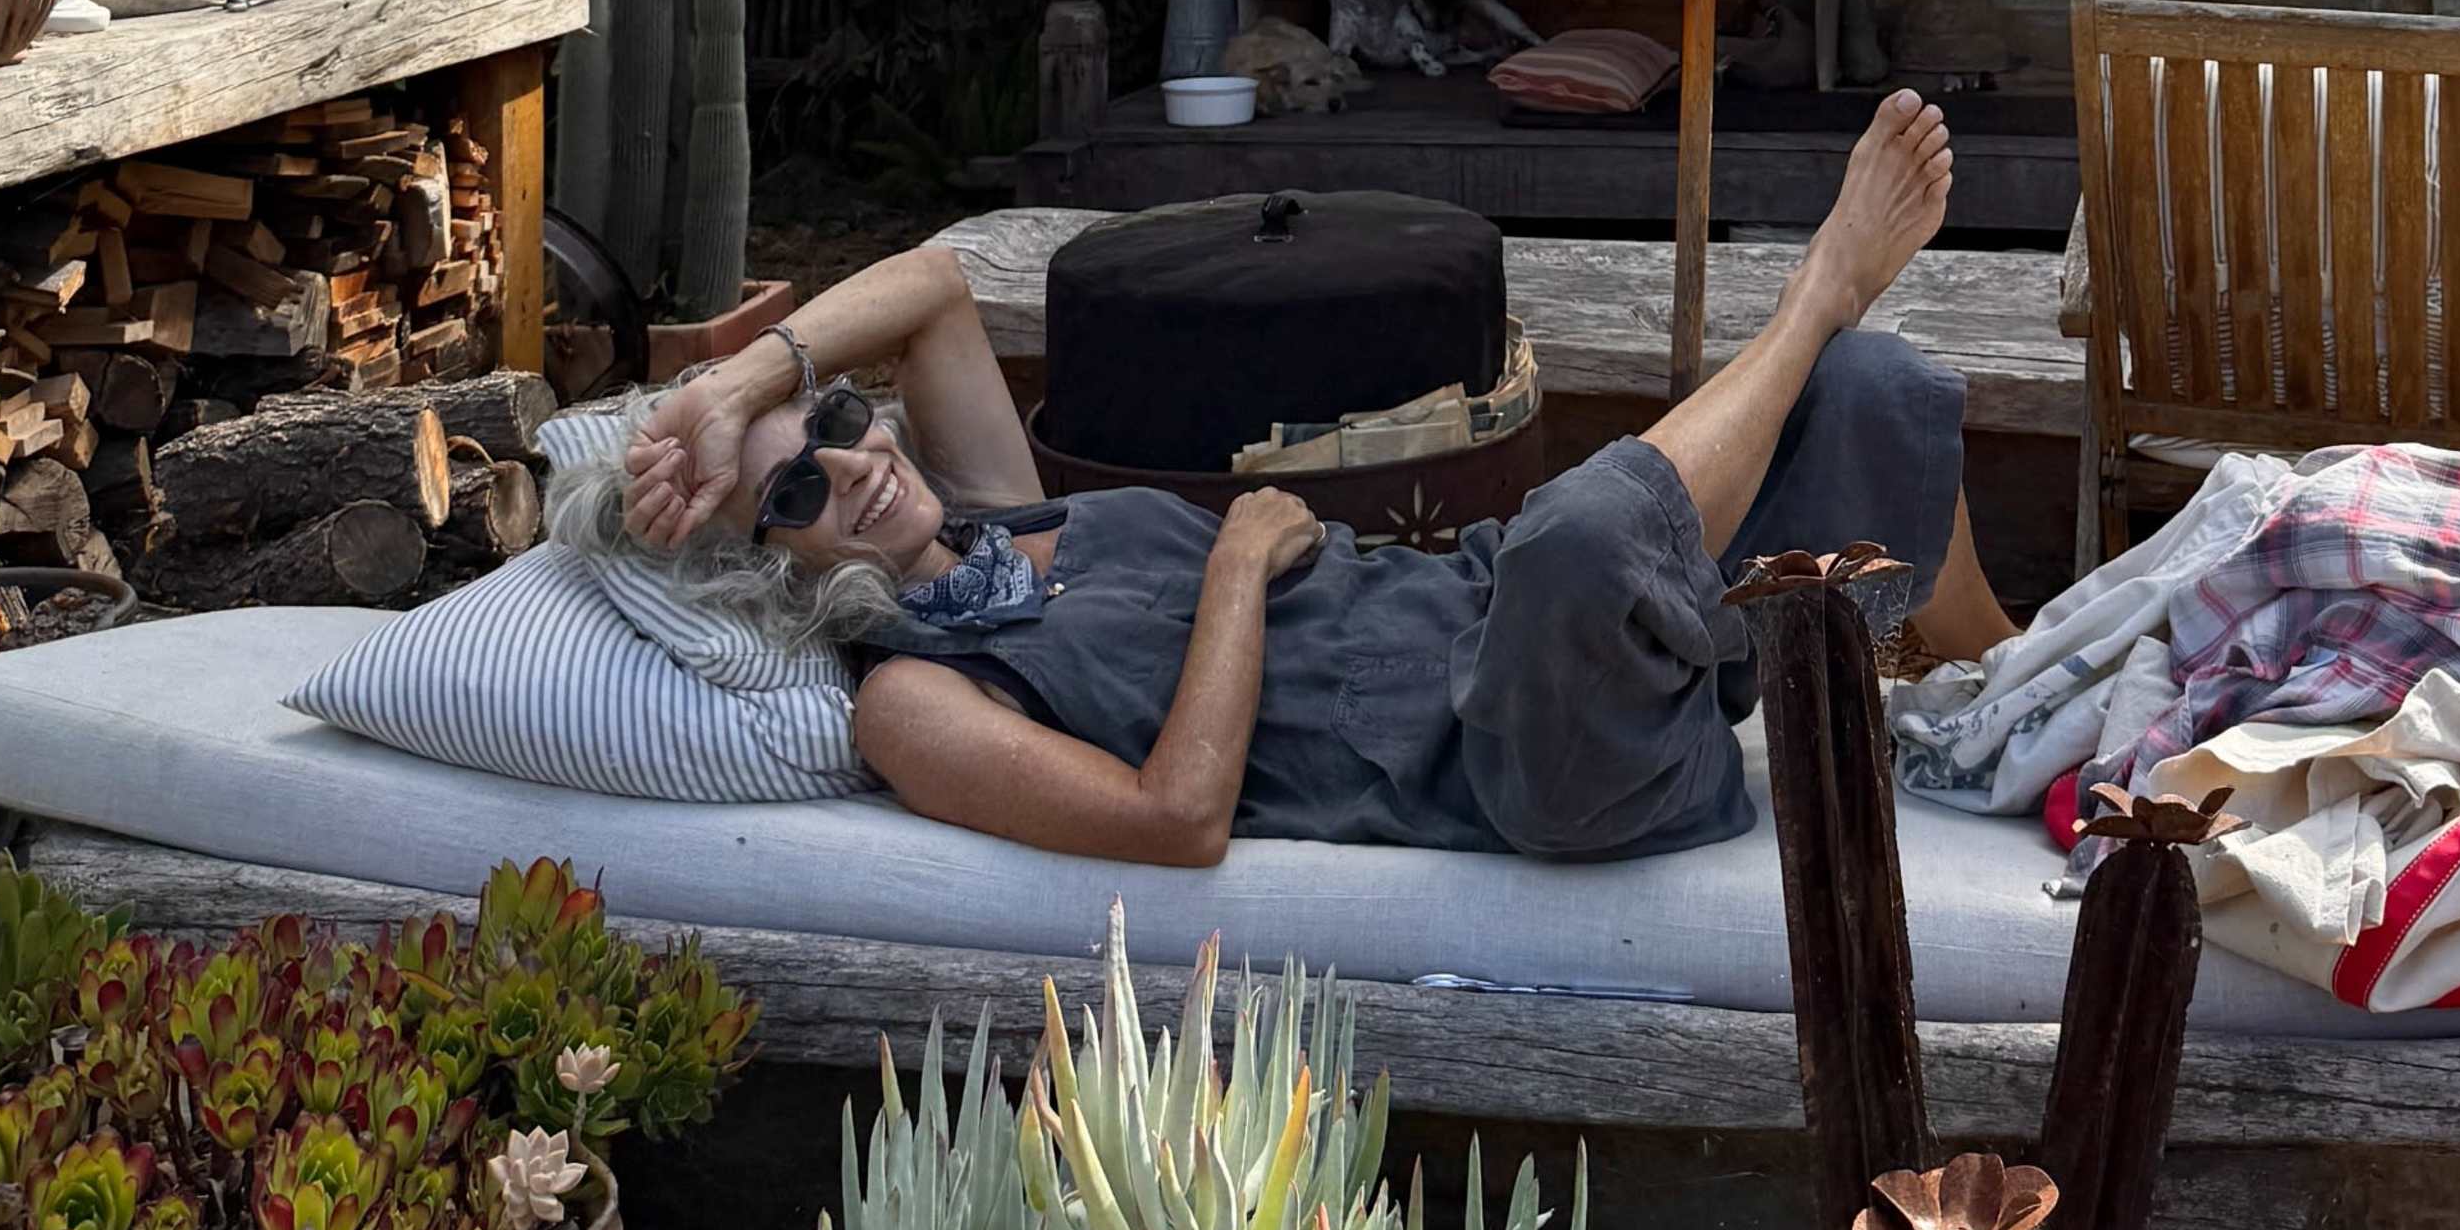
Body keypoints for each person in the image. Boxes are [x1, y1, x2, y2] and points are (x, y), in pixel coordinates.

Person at [601, 91, 2012, 867]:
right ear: (762, 575)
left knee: (1864, 397)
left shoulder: (992, 511)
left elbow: (933, 286)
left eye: (839, 421)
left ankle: (2006, 680)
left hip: (1518, 622)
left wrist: (742, 385)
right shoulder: (915, 696)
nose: (848, 467)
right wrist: (1229, 578)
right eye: (789, 498)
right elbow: (1173, 822)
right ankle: (1817, 286)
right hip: (1519, 769)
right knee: (1585, 536)